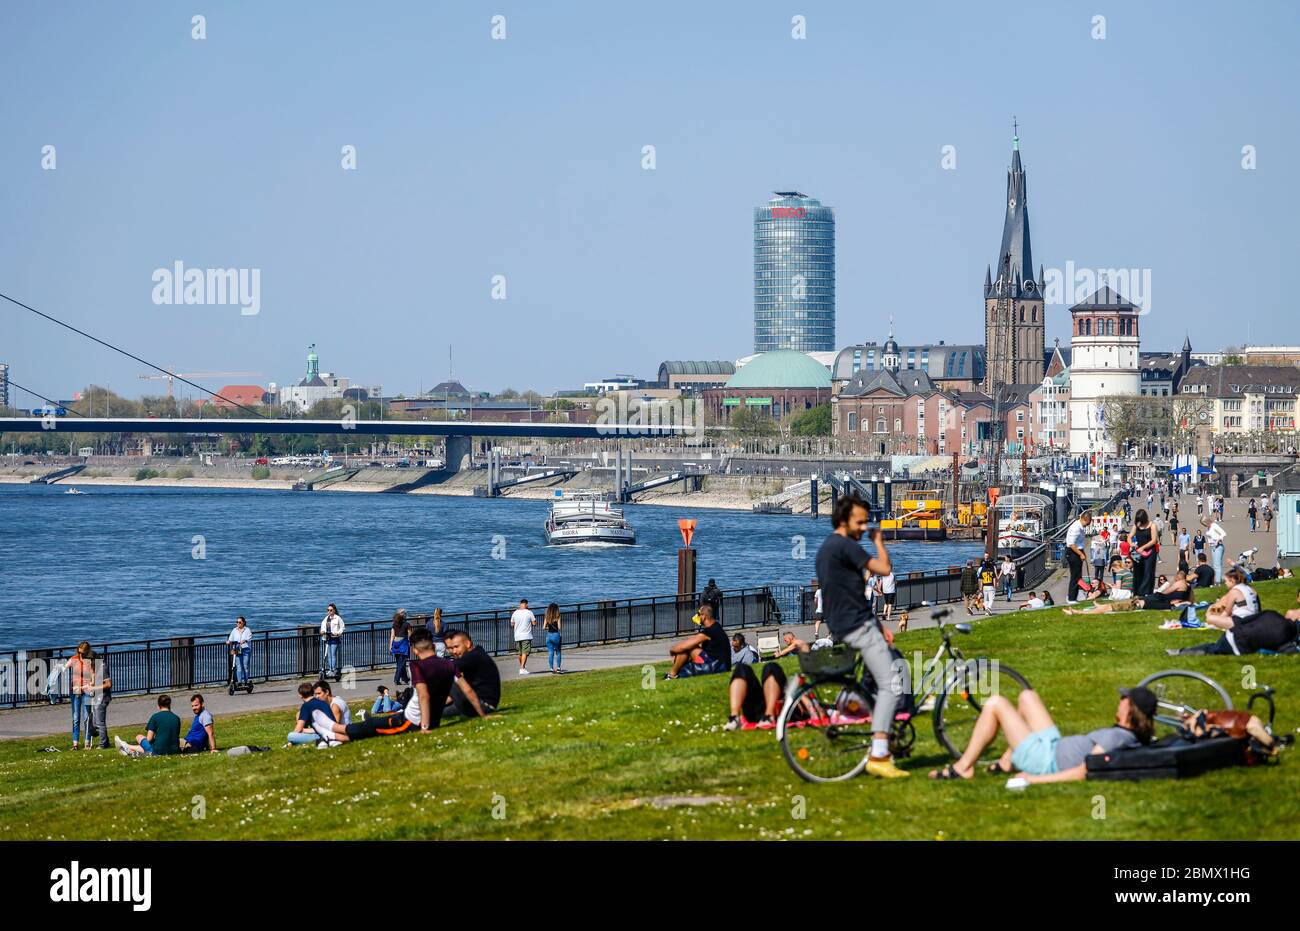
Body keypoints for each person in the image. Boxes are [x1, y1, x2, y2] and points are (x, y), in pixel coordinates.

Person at [813, 495, 909, 779]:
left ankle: (853, 705)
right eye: (860, 521)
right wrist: (879, 540)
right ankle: (879, 754)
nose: (864, 526)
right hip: (856, 625)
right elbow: (884, 569)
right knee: (891, 685)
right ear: (844, 521)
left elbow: (849, 593)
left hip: (843, 623)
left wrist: (877, 624)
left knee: (870, 677)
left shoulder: (827, 548)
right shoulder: (847, 546)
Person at [928, 686, 1156, 782]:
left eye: (1124, 698)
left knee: (996, 703)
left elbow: (1084, 771)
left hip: (1045, 761)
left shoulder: (1117, 738)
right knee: (1028, 696)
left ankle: (963, 767)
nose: (1120, 701)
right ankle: (1007, 762)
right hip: (1053, 746)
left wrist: (1034, 779)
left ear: (1130, 708)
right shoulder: (1128, 735)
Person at [311, 628, 487, 743]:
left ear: (416, 651)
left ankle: (332, 732)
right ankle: (332, 733)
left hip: (411, 721)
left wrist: (424, 727)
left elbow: (424, 696)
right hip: (417, 718)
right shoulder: (450, 665)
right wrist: (482, 714)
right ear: (433, 646)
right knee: (373, 726)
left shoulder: (418, 666)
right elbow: (468, 690)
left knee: (372, 728)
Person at [1168, 589, 1299, 657]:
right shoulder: (1285, 637)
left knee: (1212, 647)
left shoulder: (1272, 614)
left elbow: (1249, 619)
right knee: (1212, 649)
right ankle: (1180, 652)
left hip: (1235, 634)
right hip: (1241, 644)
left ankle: (1180, 652)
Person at [442, 628, 501, 717]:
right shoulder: (477, 654)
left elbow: (446, 668)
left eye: (456, 647)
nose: (454, 651)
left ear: (468, 644)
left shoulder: (472, 657)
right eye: (450, 648)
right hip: (479, 702)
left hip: (483, 705)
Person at [664, 603, 730, 679]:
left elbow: (684, 646)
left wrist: (672, 650)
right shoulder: (716, 627)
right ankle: (675, 673)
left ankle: (672, 675)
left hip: (716, 666)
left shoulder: (710, 631)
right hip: (721, 664)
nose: (698, 616)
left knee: (687, 649)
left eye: (699, 614)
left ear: (703, 616)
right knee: (692, 648)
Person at [724, 659, 792, 730]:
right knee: (741, 669)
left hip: (780, 710)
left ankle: (769, 716)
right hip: (757, 713)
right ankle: (734, 717)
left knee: (771, 667)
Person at [115, 694, 182, 757]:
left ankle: (126, 746)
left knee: (139, 737)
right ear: (169, 705)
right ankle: (128, 749)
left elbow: (149, 739)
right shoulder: (177, 718)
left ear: (158, 706)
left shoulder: (155, 717)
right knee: (151, 745)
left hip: (158, 751)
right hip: (174, 750)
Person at [286, 682, 339, 747]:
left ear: (300, 695)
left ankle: (319, 741)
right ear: (312, 693)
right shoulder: (324, 702)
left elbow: (298, 729)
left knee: (291, 736)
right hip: (333, 731)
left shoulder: (306, 705)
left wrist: (300, 733)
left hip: (321, 735)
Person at [67, 641, 97, 751]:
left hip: (86, 691)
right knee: (75, 718)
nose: (81, 655)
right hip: (75, 691)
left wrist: (86, 686)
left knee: (87, 718)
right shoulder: (74, 659)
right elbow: (64, 668)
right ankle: (75, 744)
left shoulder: (90, 662)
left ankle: (87, 743)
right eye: (79, 652)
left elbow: (93, 680)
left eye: (83, 653)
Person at [1063, 511, 1091, 603]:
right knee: (1075, 576)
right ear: (1084, 519)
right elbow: (1072, 544)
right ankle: (1071, 598)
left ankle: (1075, 595)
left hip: (1078, 551)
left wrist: (1082, 552)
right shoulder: (1076, 528)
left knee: (1078, 575)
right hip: (1073, 552)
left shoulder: (1080, 527)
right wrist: (1081, 554)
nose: (1087, 525)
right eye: (1087, 523)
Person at [88, 648, 113, 750]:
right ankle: (105, 741)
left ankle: (103, 744)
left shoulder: (102, 668)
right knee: (94, 723)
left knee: (99, 723)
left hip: (102, 698)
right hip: (96, 697)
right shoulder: (95, 668)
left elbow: (108, 684)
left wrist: (93, 688)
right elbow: (94, 682)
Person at [1130, 510, 1157, 597]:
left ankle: (1146, 592)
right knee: (1137, 571)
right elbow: (1129, 537)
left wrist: (1143, 547)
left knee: (1148, 572)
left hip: (1150, 551)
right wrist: (1131, 544)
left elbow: (1154, 540)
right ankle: (1137, 592)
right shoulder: (1136, 526)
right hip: (1138, 552)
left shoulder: (1152, 525)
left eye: (1141, 520)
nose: (1139, 522)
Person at [509, 598, 536, 675]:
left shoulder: (515, 613)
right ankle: (522, 668)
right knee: (525, 652)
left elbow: (512, 624)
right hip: (526, 635)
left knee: (520, 653)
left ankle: (522, 667)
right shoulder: (529, 612)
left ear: (520, 604)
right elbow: (534, 623)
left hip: (517, 635)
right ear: (526, 604)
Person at [319, 603, 345, 681]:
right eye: (328, 610)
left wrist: (338, 633)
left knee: (333, 655)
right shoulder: (326, 619)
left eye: (331, 610)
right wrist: (322, 631)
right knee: (328, 655)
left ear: (334, 610)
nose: (329, 611)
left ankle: (333, 670)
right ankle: (330, 670)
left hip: (335, 638)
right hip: (328, 638)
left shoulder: (338, 618)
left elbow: (343, 627)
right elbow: (323, 627)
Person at [226, 616, 253, 689]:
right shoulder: (234, 630)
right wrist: (228, 642)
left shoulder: (247, 630)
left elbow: (249, 637)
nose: (238, 623)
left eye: (240, 622)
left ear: (243, 623)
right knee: (238, 666)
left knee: (245, 666)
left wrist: (245, 640)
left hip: (245, 649)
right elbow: (230, 639)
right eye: (237, 622)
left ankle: (246, 681)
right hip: (237, 649)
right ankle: (239, 682)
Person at [389, 610, 411, 686]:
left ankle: (405, 678)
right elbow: (410, 636)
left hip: (396, 645)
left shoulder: (394, 624)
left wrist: (390, 646)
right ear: (404, 616)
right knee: (401, 664)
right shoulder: (407, 624)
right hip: (403, 645)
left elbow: (392, 636)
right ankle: (396, 679)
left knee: (400, 662)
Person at [542, 602, 564, 674]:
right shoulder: (558, 616)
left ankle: (551, 668)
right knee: (558, 652)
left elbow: (543, 627)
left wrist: (549, 627)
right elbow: (559, 627)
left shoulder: (547, 616)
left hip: (549, 635)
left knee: (550, 652)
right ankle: (558, 668)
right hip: (556, 635)